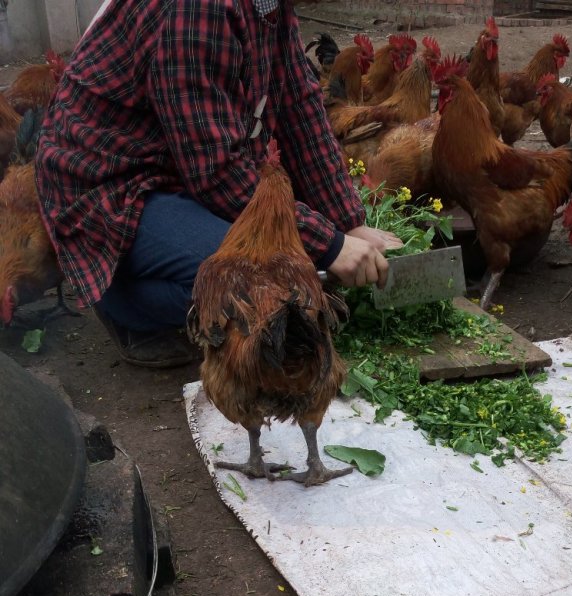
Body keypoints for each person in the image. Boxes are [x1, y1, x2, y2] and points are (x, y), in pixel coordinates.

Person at [35, 0, 402, 369]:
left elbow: (298, 106)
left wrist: (348, 222)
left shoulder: (270, 4)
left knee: (285, 269)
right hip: (109, 184)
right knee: (257, 283)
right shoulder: (197, 8)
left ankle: (166, 269)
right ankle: (120, 299)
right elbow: (216, 172)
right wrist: (330, 245)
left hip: (172, 166)